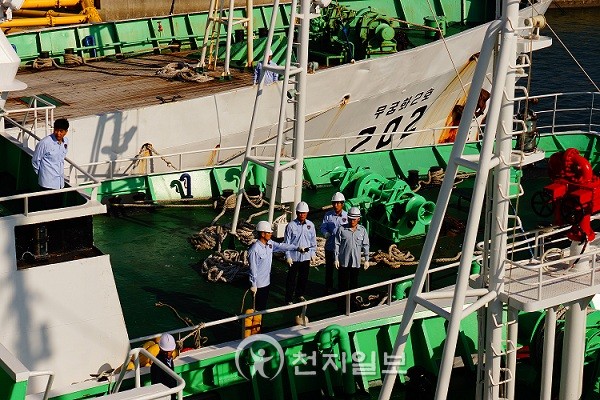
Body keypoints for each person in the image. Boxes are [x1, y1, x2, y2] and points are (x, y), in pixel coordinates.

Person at [249, 220, 303, 311]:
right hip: (258, 285)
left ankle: (260, 324)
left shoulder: (270, 244)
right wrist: (253, 284)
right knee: (257, 309)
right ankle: (256, 325)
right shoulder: (254, 250)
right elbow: (253, 269)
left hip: (267, 282)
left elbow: (281, 246)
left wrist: (296, 248)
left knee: (263, 308)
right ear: (262, 234)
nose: (271, 234)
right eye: (269, 232)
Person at [283, 201, 317, 304]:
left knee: (303, 278)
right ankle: (288, 298)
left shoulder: (311, 226)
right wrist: (288, 256)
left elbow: (313, 241)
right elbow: (286, 243)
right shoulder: (290, 226)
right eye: (300, 213)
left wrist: (313, 253)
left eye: (304, 213)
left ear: (307, 213)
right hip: (294, 257)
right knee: (291, 279)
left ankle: (299, 294)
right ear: (297, 213)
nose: (302, 215)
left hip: (305, 257)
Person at [334, 206, 370, 292]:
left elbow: (366, 245)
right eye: (350, 219)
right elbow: (337, 244)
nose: (352, 221)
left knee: (354, 284)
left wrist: (366, 260)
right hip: (343, 262)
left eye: (354, 219)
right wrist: (336, 259)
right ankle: (342, 302)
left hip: (356, 263)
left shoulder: (362, 230)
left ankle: (352, 301)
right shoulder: (341, 229)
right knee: (342, 284)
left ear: (358, 219)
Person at [320, 192, 348, 294]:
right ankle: (328, 288)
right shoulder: (328, 215)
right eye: (334, 203)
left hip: (342, 249)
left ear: (342, 204)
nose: (336, 205)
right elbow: (323, 226)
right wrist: (325, 233)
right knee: (329, 269)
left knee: (342, 270)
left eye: (338, 203)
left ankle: (342, 289)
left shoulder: (347, 216)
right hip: (330, 247)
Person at [32, 118, 70, 190]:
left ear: (66, 132)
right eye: (56, 130)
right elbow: (35, 160)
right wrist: (43, 175)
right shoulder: (45, 143)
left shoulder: (66, 142)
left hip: (60, 183)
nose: (58, 133)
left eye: (61, 131)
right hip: (47, 183)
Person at [150, 333, 178, 399]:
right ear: (160, 348)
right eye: (166, 352)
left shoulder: (169, 359)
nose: (168, 354)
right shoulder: (156, 365)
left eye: (170, 351)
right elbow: (157, 385)